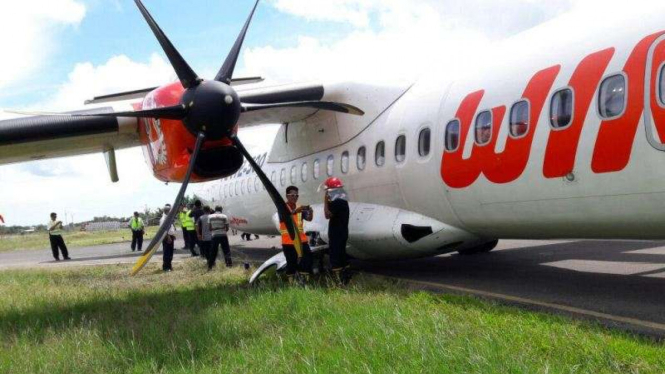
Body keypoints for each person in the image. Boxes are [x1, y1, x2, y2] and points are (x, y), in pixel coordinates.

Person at [279, 185, 313, 283]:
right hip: (288, 242)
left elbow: (309, 218)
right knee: (291, 263)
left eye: (296, 195)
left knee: (307, 260)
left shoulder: (299, 209)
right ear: (287, 196)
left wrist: (310, 212)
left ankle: (305, 282)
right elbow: (286, 216)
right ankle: (291, 284)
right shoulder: (283, 208)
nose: (295, 197)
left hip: (302, 241)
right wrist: (296, 211)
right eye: (292, 195)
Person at [323, 177, 351, 284]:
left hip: (336, 234)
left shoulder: (337, 202)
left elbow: (327, 215)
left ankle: (338, 281)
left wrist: (325, 201)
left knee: (335, 256)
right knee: (342, 254)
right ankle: (346, 277)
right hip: (343, 232)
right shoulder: (343, 201)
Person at [160, 204, 176, 272]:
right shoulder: (163, 219)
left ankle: (169, 266)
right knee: (167, 252)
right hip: (167, 237)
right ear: (167, 211)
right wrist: (168, 236)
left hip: (170, 236)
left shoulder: (168, 218)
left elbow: (171, 228)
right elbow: (163, 229)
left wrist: (173, 235)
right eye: (170, 211)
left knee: (170, 252)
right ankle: (166, 267)